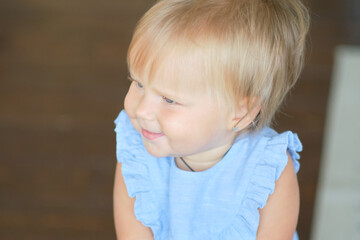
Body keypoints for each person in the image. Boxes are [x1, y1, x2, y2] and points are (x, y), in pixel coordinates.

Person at [113, 0, 310, 239]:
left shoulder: (269, 171)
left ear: (241, 112)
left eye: (170, 100)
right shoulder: (136, 151)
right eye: (139, 83)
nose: (142, 110)